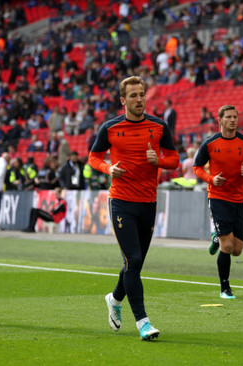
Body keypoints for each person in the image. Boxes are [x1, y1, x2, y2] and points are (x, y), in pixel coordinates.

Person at [88, 76, 179, 341]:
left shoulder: (159, 126)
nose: (139, 99)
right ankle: (143, 322)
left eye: (142, 95)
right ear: (123, 100)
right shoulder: (110, 128)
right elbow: (94, 157)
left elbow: (174, 159)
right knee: (134, 260)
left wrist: (159, 160)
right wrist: (109, 169)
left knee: (134, 264)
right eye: (133, 96)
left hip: (148, 203)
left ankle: (115, 299)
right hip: (121, 202)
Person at [193, 105, 243, 299]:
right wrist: (211, 179)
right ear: (220, 120)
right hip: (218, 197)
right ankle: (224, 288)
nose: (233, 120)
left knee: (237, 250)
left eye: (235, 117)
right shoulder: (210, 143)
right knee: (227, 247)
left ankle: (215, 237)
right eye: (229, 117)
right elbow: (197, 168)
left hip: (239, 199)